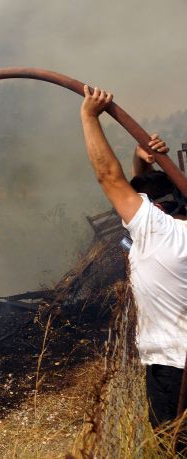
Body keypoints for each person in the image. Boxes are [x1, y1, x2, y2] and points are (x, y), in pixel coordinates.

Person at [80, 85, 187, 427]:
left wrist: (89, 116)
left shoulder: (156, 232)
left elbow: (109, 177)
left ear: (152, 209)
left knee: (173, 446)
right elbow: (146, 194)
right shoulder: (171, 229)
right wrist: (143, 161)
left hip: (176, 372)